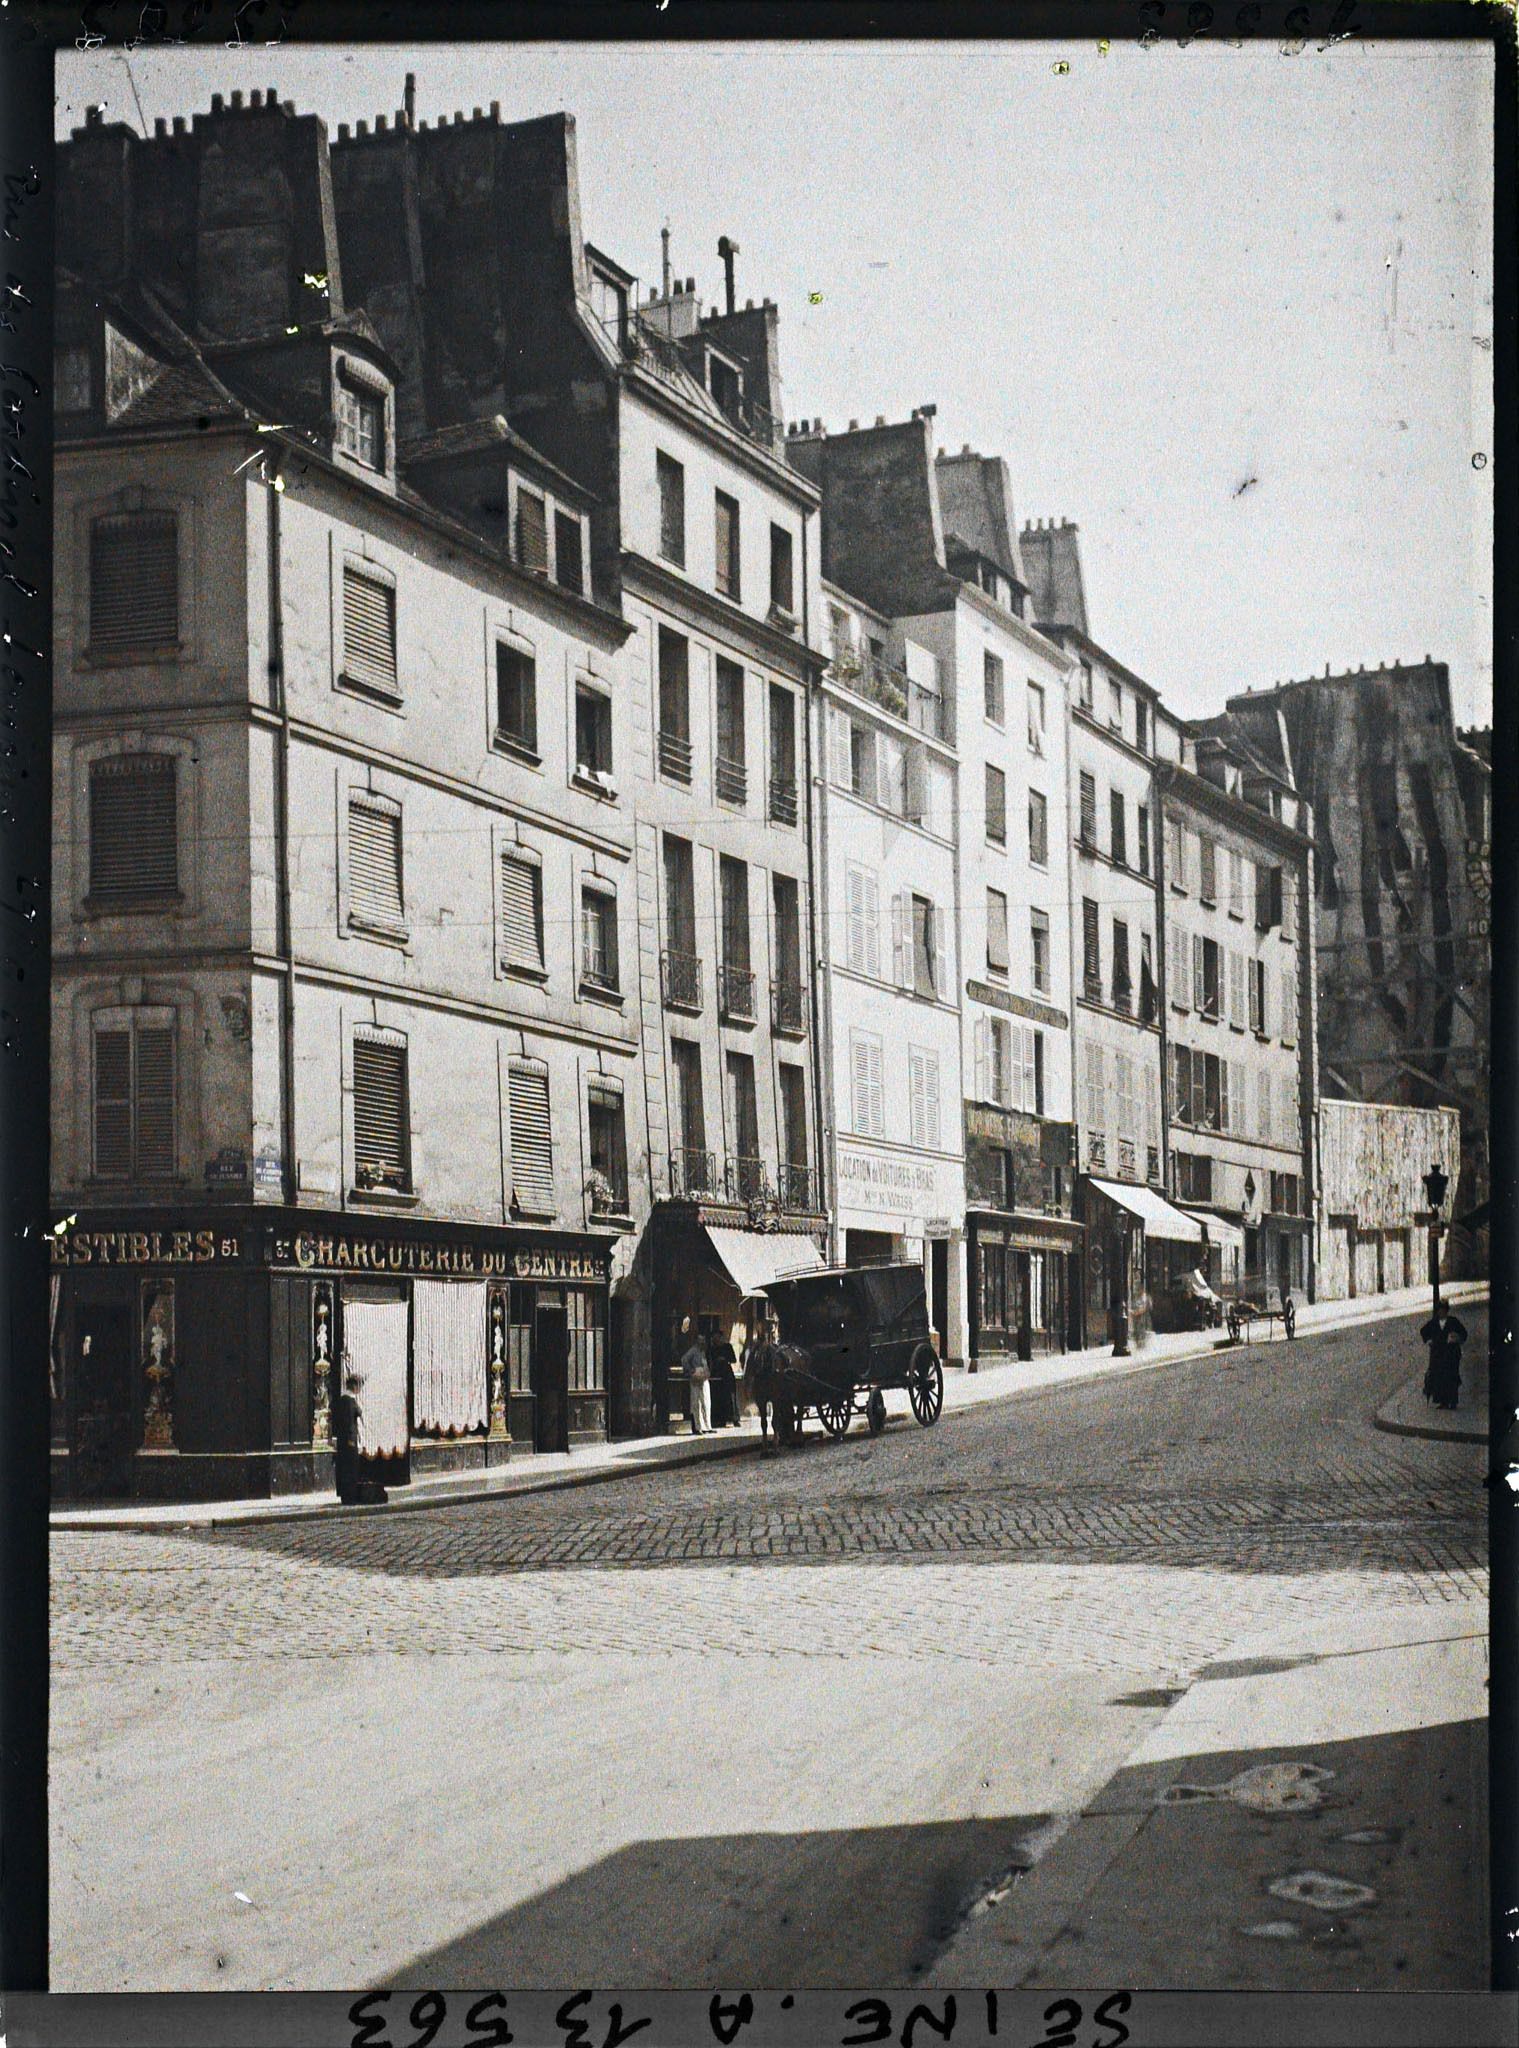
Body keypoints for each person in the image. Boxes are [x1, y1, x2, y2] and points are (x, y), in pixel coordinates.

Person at [1421, 1300, 1468, 1411]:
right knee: (1440, 1377)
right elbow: (1423, 1331)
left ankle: (1453, 1402)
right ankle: (1443, 1402)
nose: (1441, 1312)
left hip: (1452, 1354)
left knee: (1452, 1377)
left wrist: (1457, 1338)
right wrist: (1428, 1340)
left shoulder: (1453, 1322)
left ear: (1447, 1311)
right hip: (1438, 1354)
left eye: (1443, 1310)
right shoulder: (1434, 1323)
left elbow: (1464, 1333)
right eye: (1439, 1310)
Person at [679, 1316, 711, 1435]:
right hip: (696, 1378)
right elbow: (684, 1359)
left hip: (704, 1378)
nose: (702, 1342)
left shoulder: (703, 1351)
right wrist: (691, 1371)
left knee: (706, 1402)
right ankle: (697, 1427)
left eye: (703, 1340)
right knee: (696, 1404)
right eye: (700, 1340)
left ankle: (707, 1426)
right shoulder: (693, 1350)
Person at [708, 1323, 739, 1428]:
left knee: (730, 1396)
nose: (716, 1339)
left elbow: (734, 1360)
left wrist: (724, 1359)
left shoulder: (727, 1347)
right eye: (714, 1338)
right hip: (716, 1374)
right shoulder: (712, 1349)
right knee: (718, 1397)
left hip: (727, 1373)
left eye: (717, 1337)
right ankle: (719, 1420)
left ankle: (734, 1418)